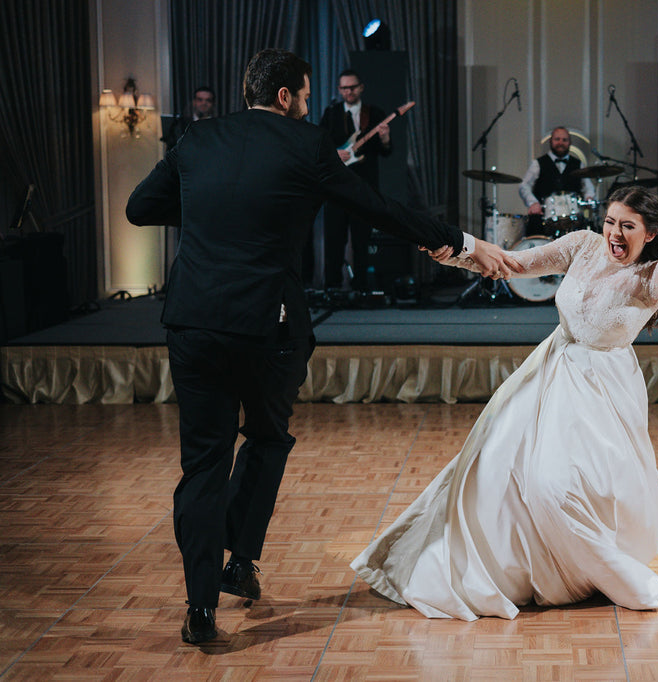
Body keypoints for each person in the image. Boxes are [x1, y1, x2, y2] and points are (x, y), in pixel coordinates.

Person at [125, 48, 519, 645]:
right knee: (268, 437)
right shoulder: (304, 145)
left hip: (195, 321)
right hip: (266, 326)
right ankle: (239, 557)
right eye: (307, 97)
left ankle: (201, 606)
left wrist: (216, 198)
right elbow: (380, 209)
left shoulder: (195, 141)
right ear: (286, 97)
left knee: (201, 465)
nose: (310, 107)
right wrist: (459, 243)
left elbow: (139, 208)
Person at [351, 149, 658, 621]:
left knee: (555, 487)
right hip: (551, 372)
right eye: (611, 221)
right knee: (495, 473)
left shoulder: (652, 279)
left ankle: (612, 574)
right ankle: (516, 569)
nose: (614, 233)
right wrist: (457, 254)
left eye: (628, 227)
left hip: (602, 394)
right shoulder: (584, 245)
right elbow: (511, 263)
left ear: (648, 234)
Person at [315, 69, 393, 290]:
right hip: (336, 188)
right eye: (344, 88)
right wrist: (334, 154)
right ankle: (333, 288)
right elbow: (319, 146)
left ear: (360, 87)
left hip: (364, 186)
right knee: (334, 241)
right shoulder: (331, 114)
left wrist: (385, 139)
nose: (348, 91)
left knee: (362, 241)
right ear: (339, 90)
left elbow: (386, 151)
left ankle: (361, 289)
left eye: (352, 87)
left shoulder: (375, 114)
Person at [518, 126, 596, 235]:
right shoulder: (538, 163)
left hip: (574, 221)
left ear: (570, 143)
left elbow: (588, 187)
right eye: (557, 139)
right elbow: (524, 186)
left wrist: (589, 197)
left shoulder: (578, 164)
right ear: (551, 141)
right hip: (544, 219)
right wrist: (533, 203)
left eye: (564, 140)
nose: (561, 142)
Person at [164, 86, 216, 151]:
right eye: (200, 100)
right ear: (194, 102)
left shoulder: (219, 127)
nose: (204, 103)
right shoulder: (179, 125)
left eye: (208, 100)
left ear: (213, 104)